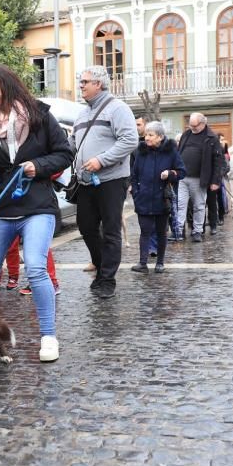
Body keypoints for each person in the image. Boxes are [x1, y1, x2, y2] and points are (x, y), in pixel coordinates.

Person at [0, 64, 73, 361]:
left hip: (37, 206)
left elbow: (65, 153)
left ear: (7, 84)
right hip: (2, 209)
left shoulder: (39, 114)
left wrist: (39, 166)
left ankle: (48, 336)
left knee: (36, 267)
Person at [72, 65, 138, 299]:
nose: (81, 85)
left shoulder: (117, 108)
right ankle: (102, 268)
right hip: (86, 181)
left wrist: (101, 160)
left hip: (111, 179)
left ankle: (107, 279)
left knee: (111, 230)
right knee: (86, 226)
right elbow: (73, 143)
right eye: (81, 82)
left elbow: (130, 140)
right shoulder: (82, 113)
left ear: (98, 84)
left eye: (85, 82)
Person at [130, 121, 185, 272]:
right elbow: (134, 175)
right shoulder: (140, 151)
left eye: (150, 135)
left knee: (161, 232)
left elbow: (182, 172)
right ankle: (142, 263)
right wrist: (136, 192)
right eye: (146, 134)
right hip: (144, 198)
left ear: (160, 137)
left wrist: (170, 173)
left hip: (162, 199)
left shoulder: (171, 151)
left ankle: (160, 263)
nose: (146, 137)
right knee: (145, 231)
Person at [175, 113, 224, 242]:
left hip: (199, 178)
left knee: (199, 205)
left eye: (195, 126)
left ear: (203, 123)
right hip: (183, 177)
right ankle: (178, 230)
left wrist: (215, 181)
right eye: (190, 125)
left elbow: (218, 161)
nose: (192, 128)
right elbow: (179, 152)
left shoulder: (211, 138)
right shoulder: (187, 134)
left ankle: (197, 231)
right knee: (180, 205)